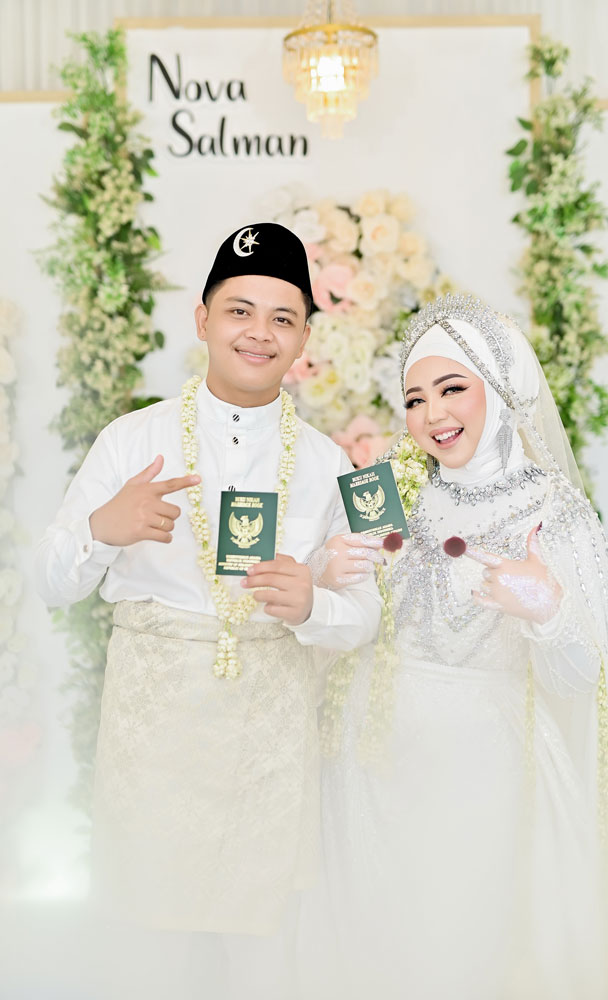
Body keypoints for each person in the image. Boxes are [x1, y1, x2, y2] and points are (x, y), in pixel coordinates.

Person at [35, 222, 382, 999]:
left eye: (282, 318)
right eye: (239, 311)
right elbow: (51, 583)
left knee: (261, 957)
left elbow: (366, 608)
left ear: (304, 340)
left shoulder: (328, 464)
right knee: (146, 952)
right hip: (154, 739)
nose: (259, 333)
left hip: (269, 744)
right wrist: (101, 529)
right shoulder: (132, 441)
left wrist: (315, 606)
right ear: (202, 319)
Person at [300, 294, 608, 1000]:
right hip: (373, 763)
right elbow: (343, 618)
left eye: (452, 388)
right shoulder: (389, 487)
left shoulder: (555, 512)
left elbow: (583, 680)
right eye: (414, 398)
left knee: (475, 948)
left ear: (498, 385)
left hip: (491, 776)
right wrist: (324, 574)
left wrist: (547, 610)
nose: (432, 414)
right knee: (380, 951)